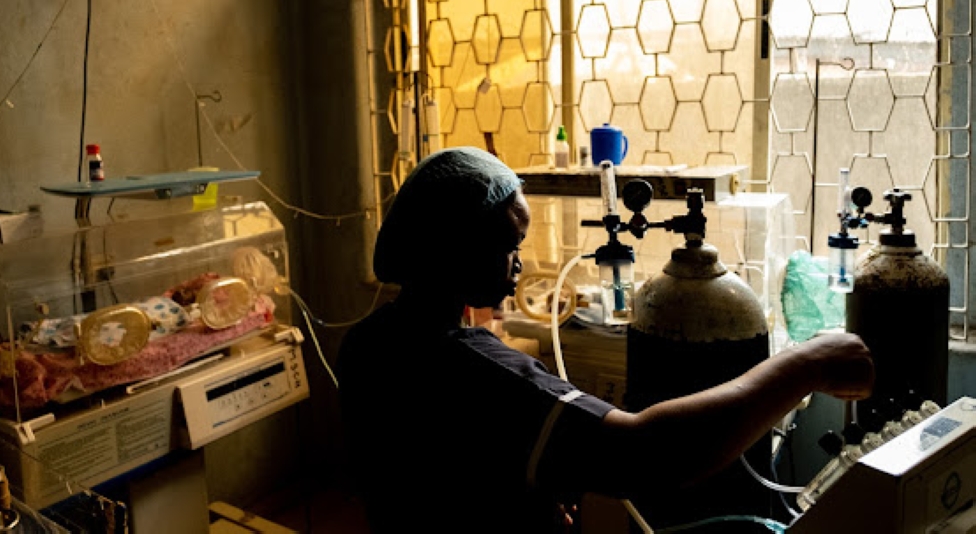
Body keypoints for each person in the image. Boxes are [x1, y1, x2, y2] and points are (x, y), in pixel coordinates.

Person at [336, 147, 874, 534]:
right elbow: (646, 455)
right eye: (508, 243)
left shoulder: (367, 345)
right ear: (452, 247)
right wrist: (809, 364)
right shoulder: (481, 372)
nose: (520, 262)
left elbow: (438, 482)